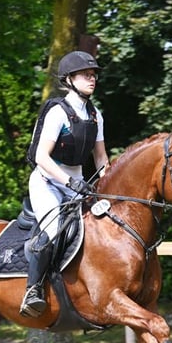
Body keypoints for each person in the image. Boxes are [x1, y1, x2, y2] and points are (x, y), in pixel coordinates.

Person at [20, 50, 111, 318]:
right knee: (53, 230)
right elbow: (41, 158)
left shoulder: (96, 116)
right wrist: (71, 182)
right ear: (69, 79)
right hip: (47, 181)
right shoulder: (58, 112)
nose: (92, 79)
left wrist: (107, 187)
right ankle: (33, 290)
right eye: (86, 75)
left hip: (78, 183)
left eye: (93, 75)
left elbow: (102, 158)